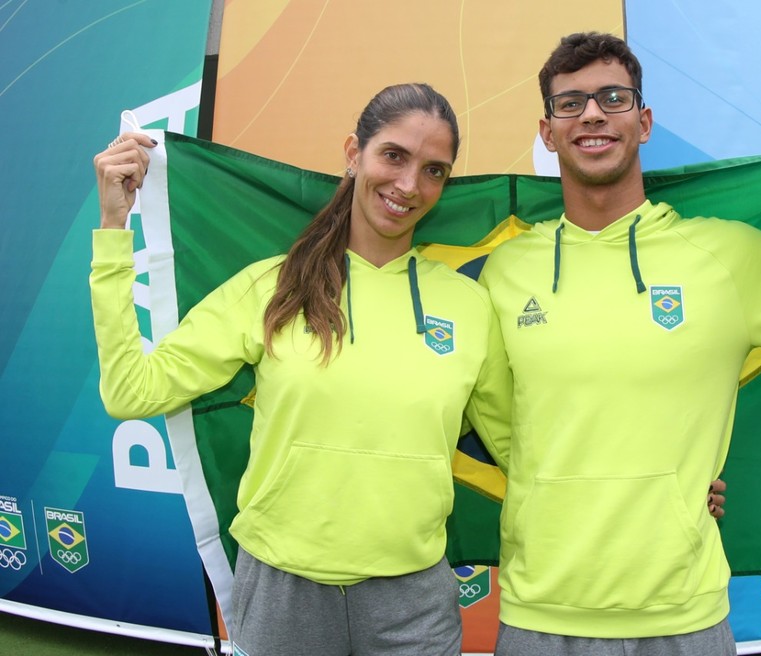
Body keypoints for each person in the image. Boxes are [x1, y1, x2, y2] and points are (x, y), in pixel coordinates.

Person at [477, 32, 761, 655]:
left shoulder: (725, 256)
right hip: (542, 610)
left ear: (644, 121)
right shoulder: (506, 271)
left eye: (612, 97)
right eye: (570, 103)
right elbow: (500, 425)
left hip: (685, 615)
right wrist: (610, 485)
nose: (593, 113)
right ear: (547, 132)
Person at [90, 83, 513, 656]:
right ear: (352, 153)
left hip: (414, 600)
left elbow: (519, 449)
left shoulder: (469, 305)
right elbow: (130, 392)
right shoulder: (272, 286)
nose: (410, 185)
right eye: (394, 155)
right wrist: (114, 229)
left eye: (434, 170)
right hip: (280, 590)